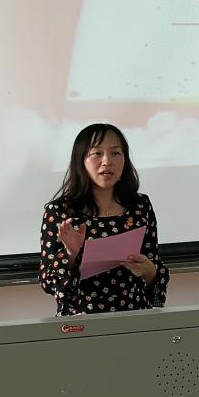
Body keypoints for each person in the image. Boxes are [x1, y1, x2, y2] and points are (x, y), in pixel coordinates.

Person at [39, 123, 168, 316]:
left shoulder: (140, 206)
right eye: (97, 153)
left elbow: (154, 269)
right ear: (80, 160)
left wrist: (150, 271)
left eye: (115, 153)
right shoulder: (59, 212)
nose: (107, 161)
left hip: (134, 318)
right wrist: (70, 253)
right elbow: (48, 282)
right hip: (81, 323)